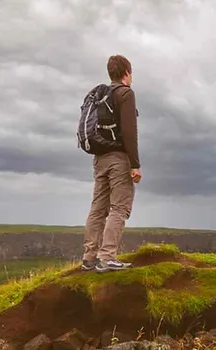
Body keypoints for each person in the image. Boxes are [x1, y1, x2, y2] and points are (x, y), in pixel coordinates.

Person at [80, 54, 142, 273]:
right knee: (120, 207)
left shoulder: (101, 95)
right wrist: (134, 164)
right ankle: (107, 257)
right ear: (127, 72)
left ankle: (89, 258)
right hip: (118, 159)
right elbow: (129, 132)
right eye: (131, 73)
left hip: (99, 159)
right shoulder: (125, 94)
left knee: (98, 208)